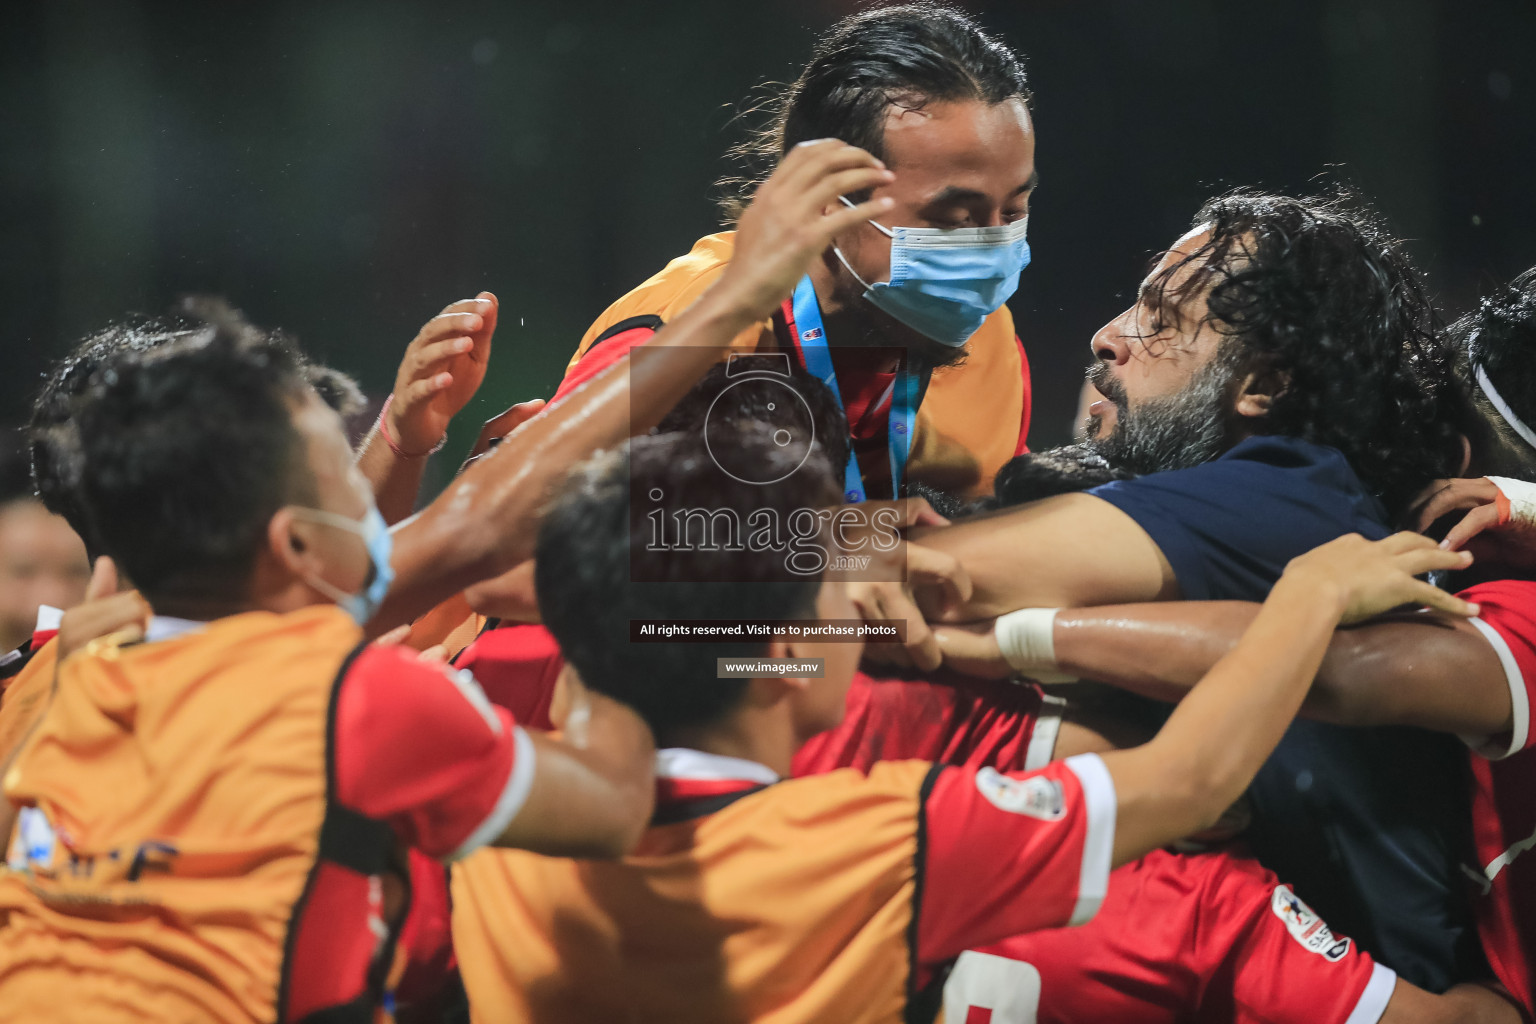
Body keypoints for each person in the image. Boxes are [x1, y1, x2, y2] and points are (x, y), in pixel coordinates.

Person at [0, 138, 898, 1022]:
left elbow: (433, 547)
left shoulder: (72, 674)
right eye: (337, 481)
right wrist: (608, 600)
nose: (372, 500)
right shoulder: (359, 701)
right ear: (298, 550)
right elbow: (611, 802)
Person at [447, 423, 1481, 1023]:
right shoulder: (873, 841)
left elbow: (608, 603)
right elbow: (1192, 778)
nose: (861, 608)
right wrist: (1308, 595)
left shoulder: (500, 826)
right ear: (775, 661)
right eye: (832, 597)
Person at [908, 190, 1479, 987]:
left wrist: (785, 522)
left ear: (1263, 388)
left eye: (1161, 320)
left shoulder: (1287, 499)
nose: (1108, 339)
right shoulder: (1257, 508)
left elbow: (932, 582)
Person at [552, 3, 1038, 502]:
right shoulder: (688, 331)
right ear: (827, 199)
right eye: (955, 219)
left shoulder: (986, 336)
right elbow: (523, 547)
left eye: (1016, 210)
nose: (989, 252)